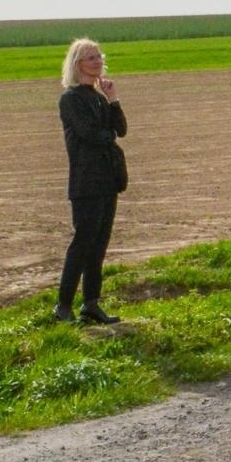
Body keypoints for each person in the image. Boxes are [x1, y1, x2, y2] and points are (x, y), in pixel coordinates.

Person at [55, 38, 128, 324]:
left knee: (99, 245)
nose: (97, 62)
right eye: (90, 58)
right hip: (86, 182)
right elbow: (90, 135)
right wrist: (107, 134)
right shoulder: (70, 99)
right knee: (82, 244)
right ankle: (63, 306)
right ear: (77, 65)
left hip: (108, 181)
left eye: (99, 57)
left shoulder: (99, 97)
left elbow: (120, 129)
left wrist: (113, 99)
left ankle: (91, 303)